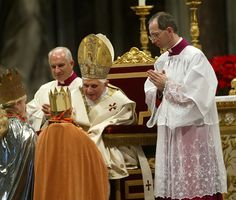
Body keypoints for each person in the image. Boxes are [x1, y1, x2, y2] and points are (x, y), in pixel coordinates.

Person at [144, 12, 227, 199]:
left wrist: (167, 85)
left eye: (155, 34)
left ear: (169, 30)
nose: (152, 40)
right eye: (151, 35)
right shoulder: (162, 60)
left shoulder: (195, 57)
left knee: (194, 182)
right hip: (170, 132)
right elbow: (152, 91)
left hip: (192, 129)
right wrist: (158, 90)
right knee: (175, 182)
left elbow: (199, 96)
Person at [70, 33, 137, 179]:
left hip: (109, 145)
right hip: (77, 143)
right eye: (85, 85)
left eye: (94, 86)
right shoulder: (75, 93)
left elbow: (125, 120)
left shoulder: (119, 100)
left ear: (105, 84)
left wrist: (96, 131)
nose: (88, 90)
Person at [34, 87, 109, 200]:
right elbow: (98, 165)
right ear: (70, 111)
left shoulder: (42, 136)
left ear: (52, 113)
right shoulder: (80, 135)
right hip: (74, 191)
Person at [0, 69, 36, 199]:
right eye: (24, 102)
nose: (25, 106)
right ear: (17, 104)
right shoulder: (26, 132)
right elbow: (31, 171)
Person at [26, 47, 82, 131]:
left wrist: (58, 115)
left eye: (61, 65)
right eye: (53, 67)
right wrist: (45, 116)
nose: (57, 71)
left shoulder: (84, 87)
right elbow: (29, 113)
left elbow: (87, 117)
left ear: (71, 63)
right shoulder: (45, 89)